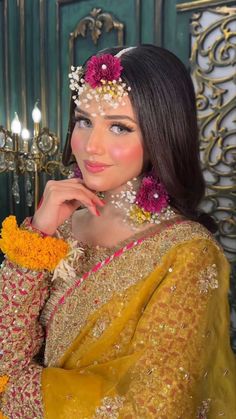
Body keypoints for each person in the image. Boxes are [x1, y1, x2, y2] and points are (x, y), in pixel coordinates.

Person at [0, 44, 235, 419]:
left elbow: (153, 407)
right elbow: (5, 350)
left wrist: (15, 390)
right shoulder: (57, 223)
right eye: (83, 120)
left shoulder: (188, 253)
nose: (91, 146)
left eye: (119, 127)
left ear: (162, 133)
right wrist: (37, 236)